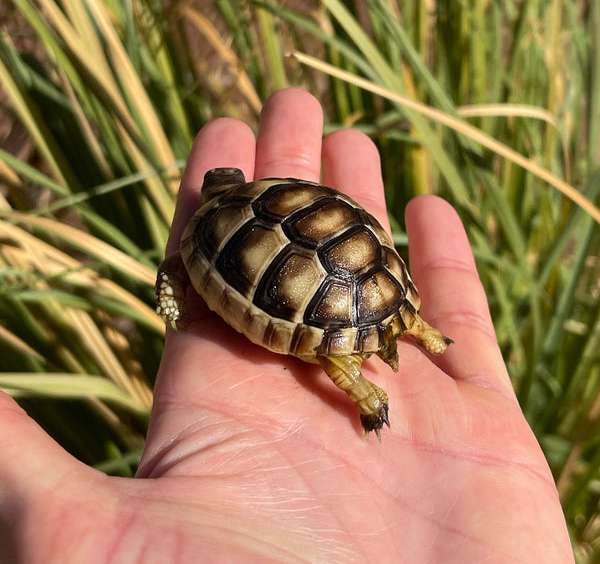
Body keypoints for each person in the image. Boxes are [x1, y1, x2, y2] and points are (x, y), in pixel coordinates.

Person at [0, 88, 574, 563]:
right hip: (369, 269)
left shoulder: (201, 236)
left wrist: (170, 303)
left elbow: (173, 276)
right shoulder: (263, 194)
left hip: (315, 289)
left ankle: (368, 393)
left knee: (333, 356)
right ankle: (416, 326)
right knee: (363, 325)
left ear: (215, 191)